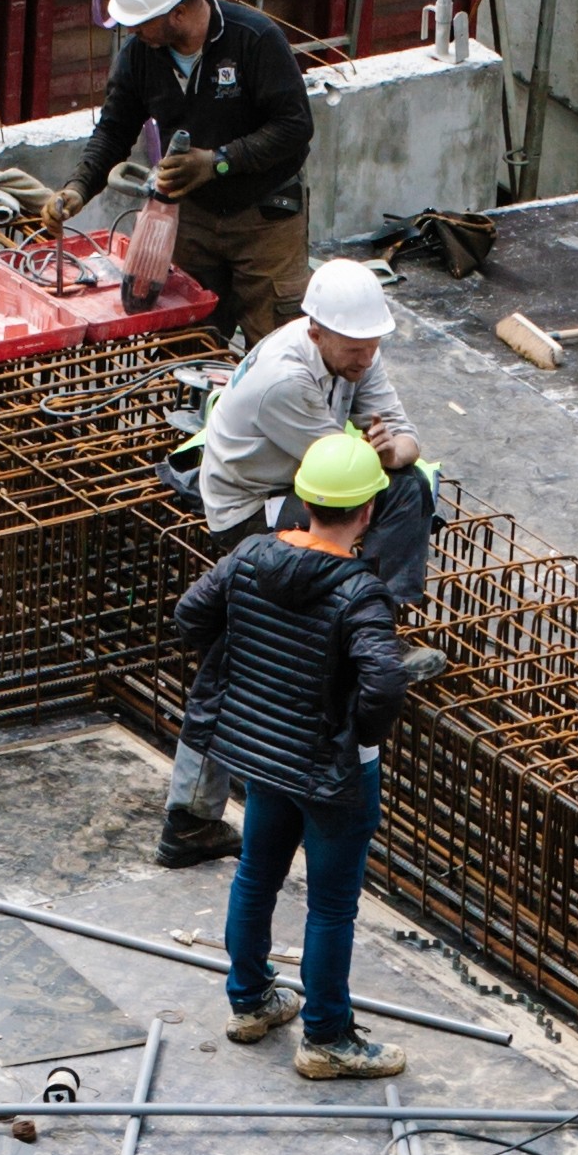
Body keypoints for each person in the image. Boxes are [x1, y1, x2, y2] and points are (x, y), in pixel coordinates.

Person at [154, 256, 443, 867]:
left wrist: (397, 449)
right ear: (315, 329)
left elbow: (404, 447)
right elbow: (343, 483)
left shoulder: (356, 345)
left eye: (373, 346)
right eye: (356, 348)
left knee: (410, 485)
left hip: (298, 490)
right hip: (249, 512)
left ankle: (373, 630)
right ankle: (365, 633)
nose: (367, 359)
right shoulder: (287, 378)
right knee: (231, 661)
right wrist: (386, 459)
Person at [174, 429, 414, 1080]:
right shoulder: (357, 589)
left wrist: (246, 677)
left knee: (257, 873)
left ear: (304, 498)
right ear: (367, 511)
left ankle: (250, 1001)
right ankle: (326, 1036)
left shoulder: (251, 555)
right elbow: (385, 682)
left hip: (264, 753)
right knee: (332, 903)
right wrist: (355, 732)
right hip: (333, 770)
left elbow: (191, 616)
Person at [64, 0, 317, 340]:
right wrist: (79, 187)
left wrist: (217, 162)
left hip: (264, 218)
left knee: (277, 346)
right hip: (191, 222)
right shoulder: (140, 57)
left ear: (178, 13)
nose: (131, 30)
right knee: (186, 344)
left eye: (139, 21)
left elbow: (294, 127)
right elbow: (114, 129)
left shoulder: (253, 40)